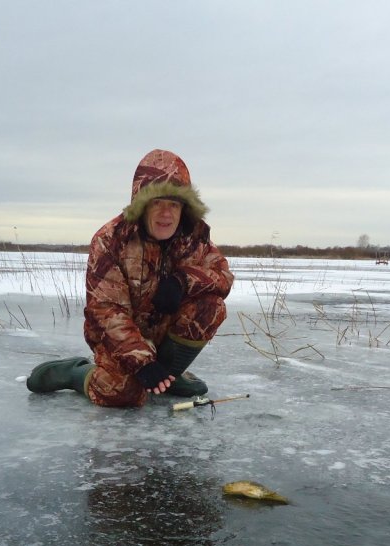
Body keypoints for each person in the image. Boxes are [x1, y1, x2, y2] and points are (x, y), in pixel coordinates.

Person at [26, 149, 234, 407]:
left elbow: (223, 277)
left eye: (174, 203)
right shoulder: (111, 240)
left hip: (160, 332)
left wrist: (183, 280)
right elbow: (106, 310)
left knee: (211, 307)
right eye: (157, 202)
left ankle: (169, 375)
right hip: (117, 336)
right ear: (142, 204)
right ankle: (76, 372)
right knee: (123, 394)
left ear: (184, 207)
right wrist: (142, 362)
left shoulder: (193, 238)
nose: (166, 213)